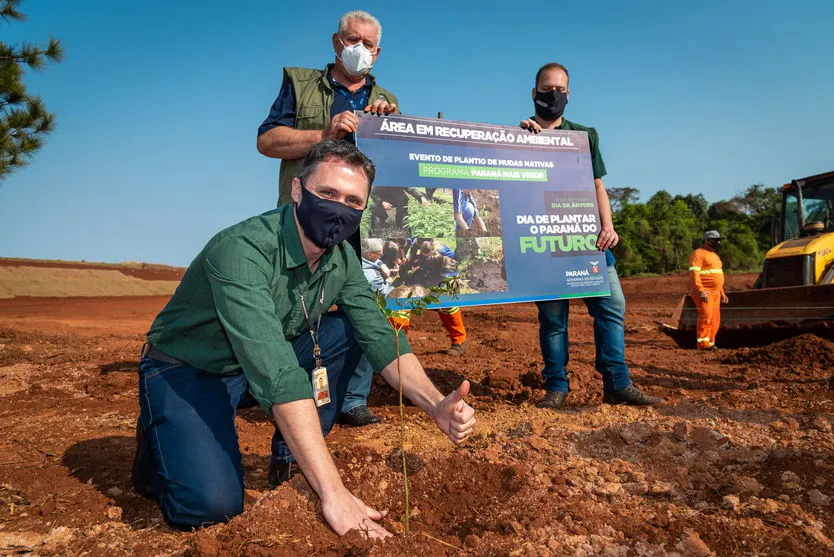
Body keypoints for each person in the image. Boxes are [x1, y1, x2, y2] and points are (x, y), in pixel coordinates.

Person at [133, 141, 476, 537]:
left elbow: (381, 338)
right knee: (212, 509)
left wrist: (435, 405)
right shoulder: (242, 250)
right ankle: (160, 435)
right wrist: (334, 493)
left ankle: (291, 460)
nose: (338, 208)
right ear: (297, 191)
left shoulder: (342, 260)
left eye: (352, 200)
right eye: (327, 193)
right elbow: (276, 371)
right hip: (189, 370)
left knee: (346, 333)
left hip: (254, 368)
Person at [520, 62, 663, 408]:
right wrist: (521, 139)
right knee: (553, 318)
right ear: (533, 92)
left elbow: (598, 185)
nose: (552, 95)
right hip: (546, 241)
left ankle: (617, 382)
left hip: (587, 240)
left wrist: (608, 226)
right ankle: (557, 386)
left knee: (612, 305)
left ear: (568, 94)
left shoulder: (584, 136)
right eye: (546, 88)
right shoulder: (521, 135)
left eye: (560, 89)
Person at [256, 10, 398, 212]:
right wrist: (324, 135)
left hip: (360, 217)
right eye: (353, 39)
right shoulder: (301, 85)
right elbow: (267, 142)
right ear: (336, 41)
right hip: (306, 212)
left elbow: (397, 166)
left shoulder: (388, 102)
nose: (360, 49)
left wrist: (392, 133)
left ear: (377, 52)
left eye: (368, 44)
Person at [688, 230, 728, 349]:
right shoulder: (698, 254)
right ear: (706, 240)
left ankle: (710, 342)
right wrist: (701, 290)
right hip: (704, 292)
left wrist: (721, 292)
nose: (718, 242)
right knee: (706, 316)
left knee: (715, 319)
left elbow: (717, 275)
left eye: (718, 240)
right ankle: (702, 343)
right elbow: (694, 274)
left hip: (715, 293)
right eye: (715, 240)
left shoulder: (715, 256)